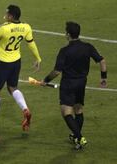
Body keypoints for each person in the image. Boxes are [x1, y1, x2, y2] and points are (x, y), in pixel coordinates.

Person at [41, 21, 107, 150]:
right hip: (82, 83)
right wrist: (103, 77)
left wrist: (46, 80)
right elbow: (102, 61)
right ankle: (76, 138)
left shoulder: (64, 51)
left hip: (68, 84)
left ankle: (79, 137)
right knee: (78, 110)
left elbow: (57, 71)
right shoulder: (88, 47)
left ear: (68, 34)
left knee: (66, 112)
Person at [0, 5, 42, 132]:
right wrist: (38, 58)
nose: (5, 15)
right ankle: (25, 109)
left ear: (11, 16)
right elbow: (31, 43)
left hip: (3, 63)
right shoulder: (26, 27)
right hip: (16, 62)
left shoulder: (4, 29)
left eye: (7, 14)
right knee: (12, 87)